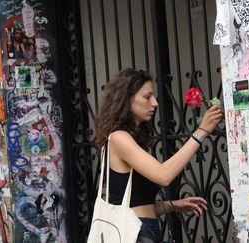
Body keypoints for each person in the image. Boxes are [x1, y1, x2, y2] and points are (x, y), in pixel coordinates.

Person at [95, 68, 223, 242]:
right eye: (147, 97)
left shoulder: (128, 139)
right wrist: (201, 132)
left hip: (143, 231)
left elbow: (137, 205)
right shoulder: (118, 138)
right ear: (126, 100)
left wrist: (174, 206)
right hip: (137, 235)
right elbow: (163, 175)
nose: (155, 103)